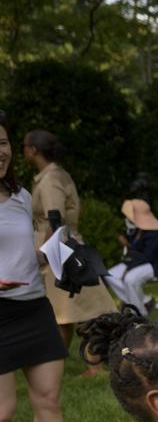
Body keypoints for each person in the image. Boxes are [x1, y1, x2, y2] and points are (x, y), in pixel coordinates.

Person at [0, 113, 67, 422]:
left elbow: (24, 254)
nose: (1, 152)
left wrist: (57, 254)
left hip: (33, 306)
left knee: (48, 398)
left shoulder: (22, 197)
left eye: (4, 143)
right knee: (4, 410)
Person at [24, 128, 115, 374]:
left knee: (76, 309)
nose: (23, 151)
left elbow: (56, 217)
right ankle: (65, 362)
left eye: (24, 147)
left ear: (33, 150)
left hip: (59, 245)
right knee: (69, 310)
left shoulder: (50, 179)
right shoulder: (57, 174)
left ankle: (89, 364)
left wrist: (50, 253)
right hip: (65, 243)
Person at [104, 176, 158, 315]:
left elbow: (150, 255)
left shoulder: (157, 233)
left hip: (155, 264)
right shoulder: (137, 229)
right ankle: (143, 301)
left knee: (129, 278)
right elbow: (135, 248)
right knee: (109, 275)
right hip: (137, 261)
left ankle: (139, 313)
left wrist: (129, 268)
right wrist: (127, 243)